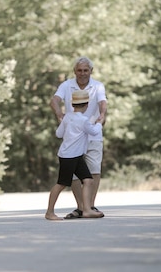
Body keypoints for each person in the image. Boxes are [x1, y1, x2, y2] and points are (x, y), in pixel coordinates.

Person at [50, 56, 107, 219]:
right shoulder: (67, 85)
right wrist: (59, 114)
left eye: (85, 70)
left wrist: (102, 115)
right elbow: (54, 100)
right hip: (74, 137)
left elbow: (103, 103)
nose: (82, 73)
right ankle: (81, 207)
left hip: (92, 136)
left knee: (94, 171)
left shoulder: (97, 86)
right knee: (75, 175)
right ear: (75, 71)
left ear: (91, 71)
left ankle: (90, 205)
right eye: (79, 70)